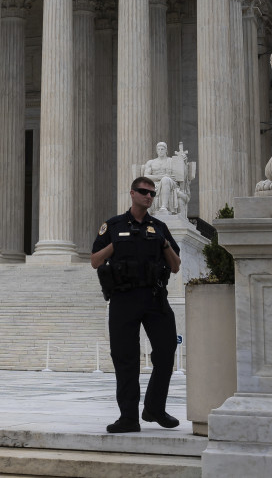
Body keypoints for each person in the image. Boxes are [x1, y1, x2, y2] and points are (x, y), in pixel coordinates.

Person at [90, 176, 181, 433]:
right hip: (123, 299)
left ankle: (154, 408)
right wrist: (114, 246)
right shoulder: (113, 225)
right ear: (132, 193)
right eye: (143, 192)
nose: (148, 196)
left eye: (152, 193)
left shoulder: (160, 227)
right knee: (125, 358)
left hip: (154, 298)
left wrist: (164, 245)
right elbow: (95, 261)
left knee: (165, 353)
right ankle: (128, 417)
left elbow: (175, 266)